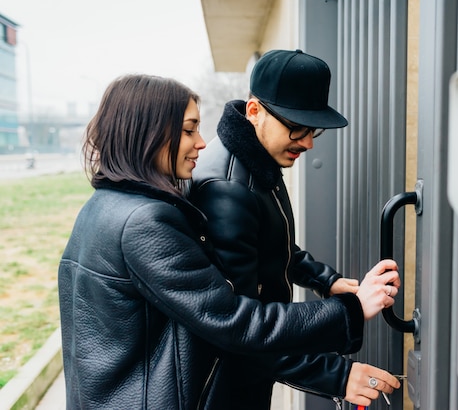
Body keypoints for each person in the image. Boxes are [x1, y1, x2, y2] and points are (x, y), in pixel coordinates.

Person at [57, 73, 401, 409]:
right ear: (146, 132)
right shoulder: (147, 221)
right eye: (189, 129)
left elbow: (270, 252)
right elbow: (233, 321)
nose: (201, 142)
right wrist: (350, 313)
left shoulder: (105, 205)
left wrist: (326, 281)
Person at [190, 49, 400, 409]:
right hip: (225, 384)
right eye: (297, 128)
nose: (308, 143)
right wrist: (337, 375)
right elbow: (242, 329)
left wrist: (324, 279)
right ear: (254, 112)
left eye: (313, 129)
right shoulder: (227, 192)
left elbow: (272, 242)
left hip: (250, 369)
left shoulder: (255, 157)